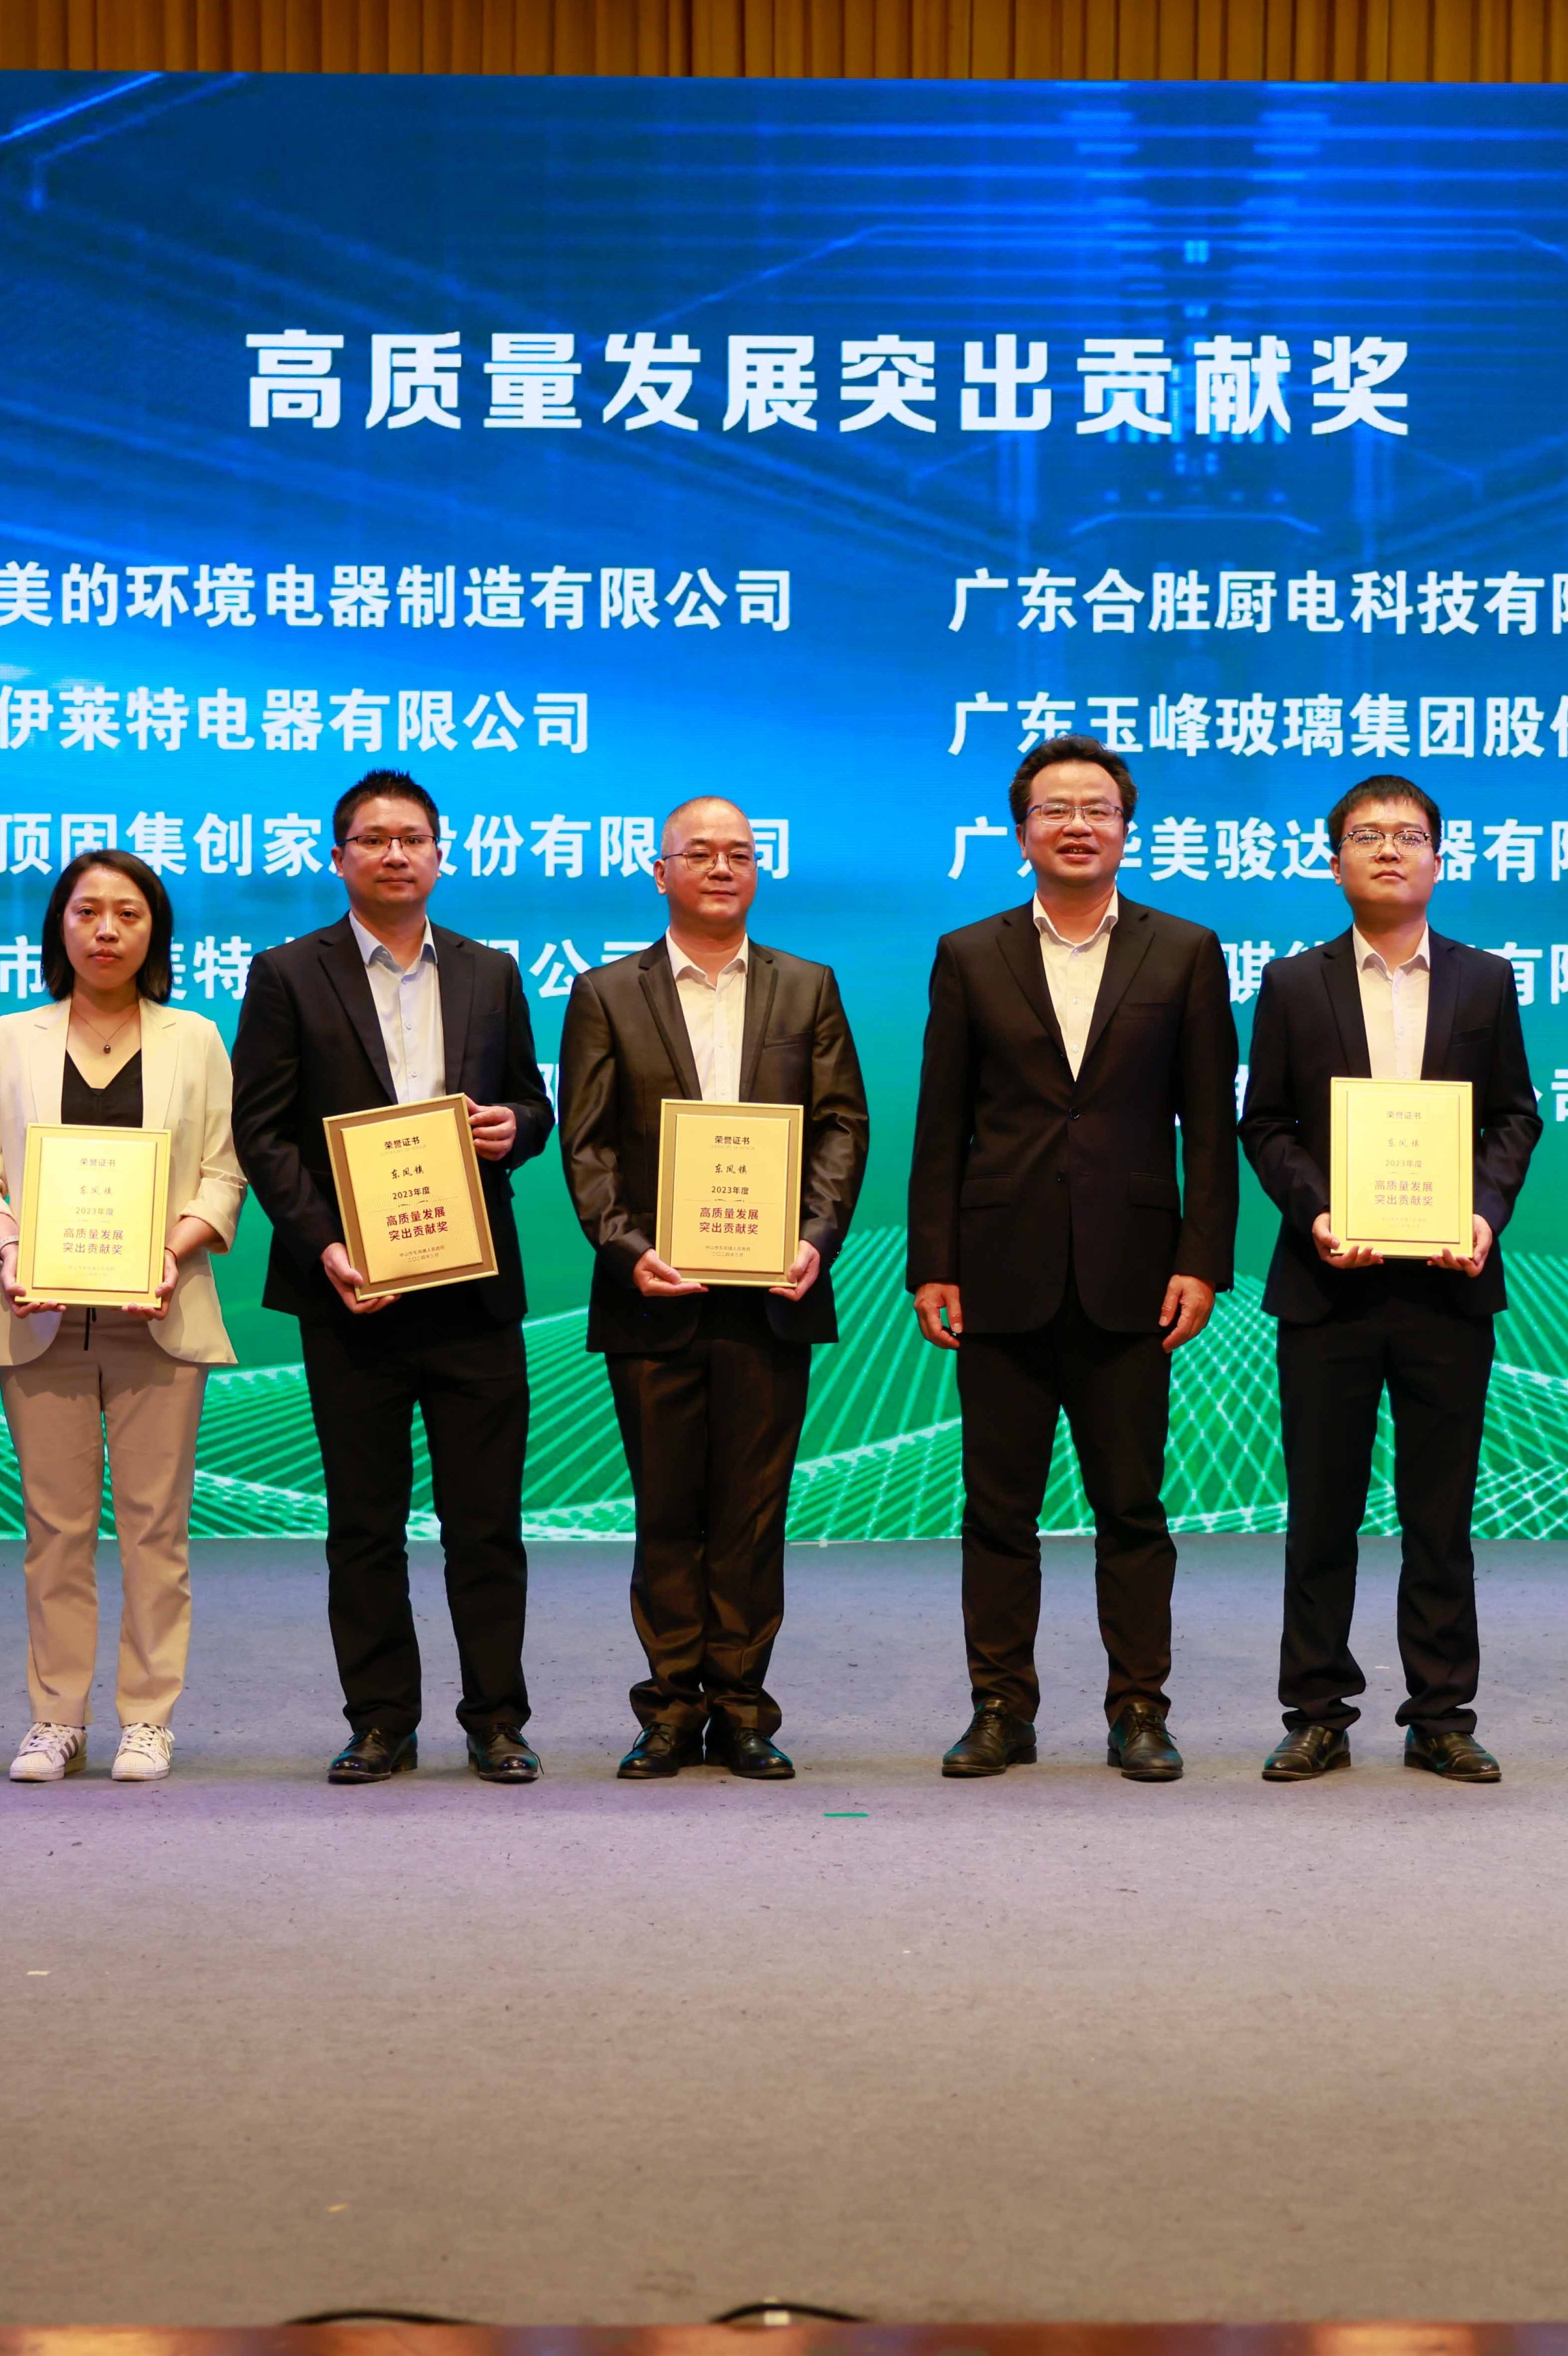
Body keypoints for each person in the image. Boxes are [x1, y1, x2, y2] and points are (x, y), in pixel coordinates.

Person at [907, 733, 1237, 1781]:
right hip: (997, 1269)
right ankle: (999, 1708)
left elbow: (1207, 1124)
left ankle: (1138, 1708)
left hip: (1132, 1274)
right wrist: (931, 1261)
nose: (1077, 825)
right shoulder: (970, 953)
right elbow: (940, 1122)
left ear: (1127, 830)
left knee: (1131, 1508)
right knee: (996, 1510)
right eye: (1055, 809)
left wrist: (1202, 1259)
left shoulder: (1183, 950)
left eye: (1097, 808)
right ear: (1021, 833)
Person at [231, 769, 555, 1784]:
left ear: (440, 856)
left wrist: (515, 1128)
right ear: (339, 858)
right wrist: (326, 1245)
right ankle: (380, 1721)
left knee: (486, 1524)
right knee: (364, 1523)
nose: (394, 854)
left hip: (472, 1290)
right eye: (372, 839)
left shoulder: (489, 971)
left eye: (412, 838)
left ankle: (496, 1720)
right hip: (351, 1291)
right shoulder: (288, 974)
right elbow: (262, 1131)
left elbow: (531, 1104)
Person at [557, 796, 873, 1779]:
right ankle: (667, 1708)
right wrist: (626, 1248)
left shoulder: (806, 987)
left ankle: (741, 1708)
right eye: (700, 853)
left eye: (740, 853)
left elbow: (841, 1125)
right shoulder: (606, 992)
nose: (722, 868)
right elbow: (587, 1143)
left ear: (758, 871)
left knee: (751, 1512)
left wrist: (816, 1236)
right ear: (661, 872)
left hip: (772, 1296)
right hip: (653, 1292)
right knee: (665, 1510)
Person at [1235, 772, 1541, 1783]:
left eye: (1408, 836)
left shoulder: (1484, 980)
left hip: (1449, 1284)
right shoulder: (1293, 982)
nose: (1388, 851)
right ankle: (1317, 1711)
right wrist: (1317, 1212)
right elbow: (1265, 1123)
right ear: (1335, 864)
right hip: (1328, 1283)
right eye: (1366, 836)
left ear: (1437, 861)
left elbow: (1513, 1116)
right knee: (1322, 1512)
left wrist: (1482, 1214)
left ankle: (1441, 1713)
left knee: (1439, 1514)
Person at [0, 851, 246, 1783]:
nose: (107, 930)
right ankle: (57, 1718)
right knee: (55, 1531)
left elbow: (223, 1176)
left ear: (155, 931)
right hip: (40, 1316)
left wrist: (174, 1250)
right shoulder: (12, 1038)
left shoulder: (196, 1038)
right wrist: (9, 1247)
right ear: (60, 927)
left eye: (128, 913)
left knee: (156, 1529)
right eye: (87, 912)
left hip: (159, 1310)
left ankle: (148, 1718)